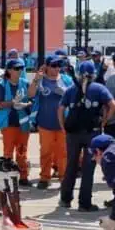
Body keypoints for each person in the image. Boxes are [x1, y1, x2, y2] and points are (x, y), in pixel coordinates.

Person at [58, 60, 115, 210]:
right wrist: (104, 121)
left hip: (73, 133)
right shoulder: (99, 88)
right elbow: (113, 106)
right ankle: (84, 203)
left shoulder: (71, 89)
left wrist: (63, 127)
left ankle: (65, 199)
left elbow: (60, 109)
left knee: (71, 166)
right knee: (88, 168)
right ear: (93, 74)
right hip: (92, 133)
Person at [31, 55, 73, 189]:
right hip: (45, 123)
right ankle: (45, 178)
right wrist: (36, 79)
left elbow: (76, 97)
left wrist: (65, 93)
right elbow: (30, 94)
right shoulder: (41, 80)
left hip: (63, 124)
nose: (57, 68)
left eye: (59, 65)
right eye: (54, 66)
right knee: (46, 152)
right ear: (47, 67)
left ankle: (63, 177)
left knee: (63, 153)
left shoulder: (66, 79)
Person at [0, 58, 34, 186]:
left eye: (21, 68)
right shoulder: (2, 84)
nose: (20, 71)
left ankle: (23, 177)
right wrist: (13, 103)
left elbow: (32, 99)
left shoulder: (25, 83)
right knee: (8, 152)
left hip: (24, 123)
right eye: (17, 68)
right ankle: (8, 177)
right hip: (9, 123)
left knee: (22, 151)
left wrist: (25, 104)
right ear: (9, 70)